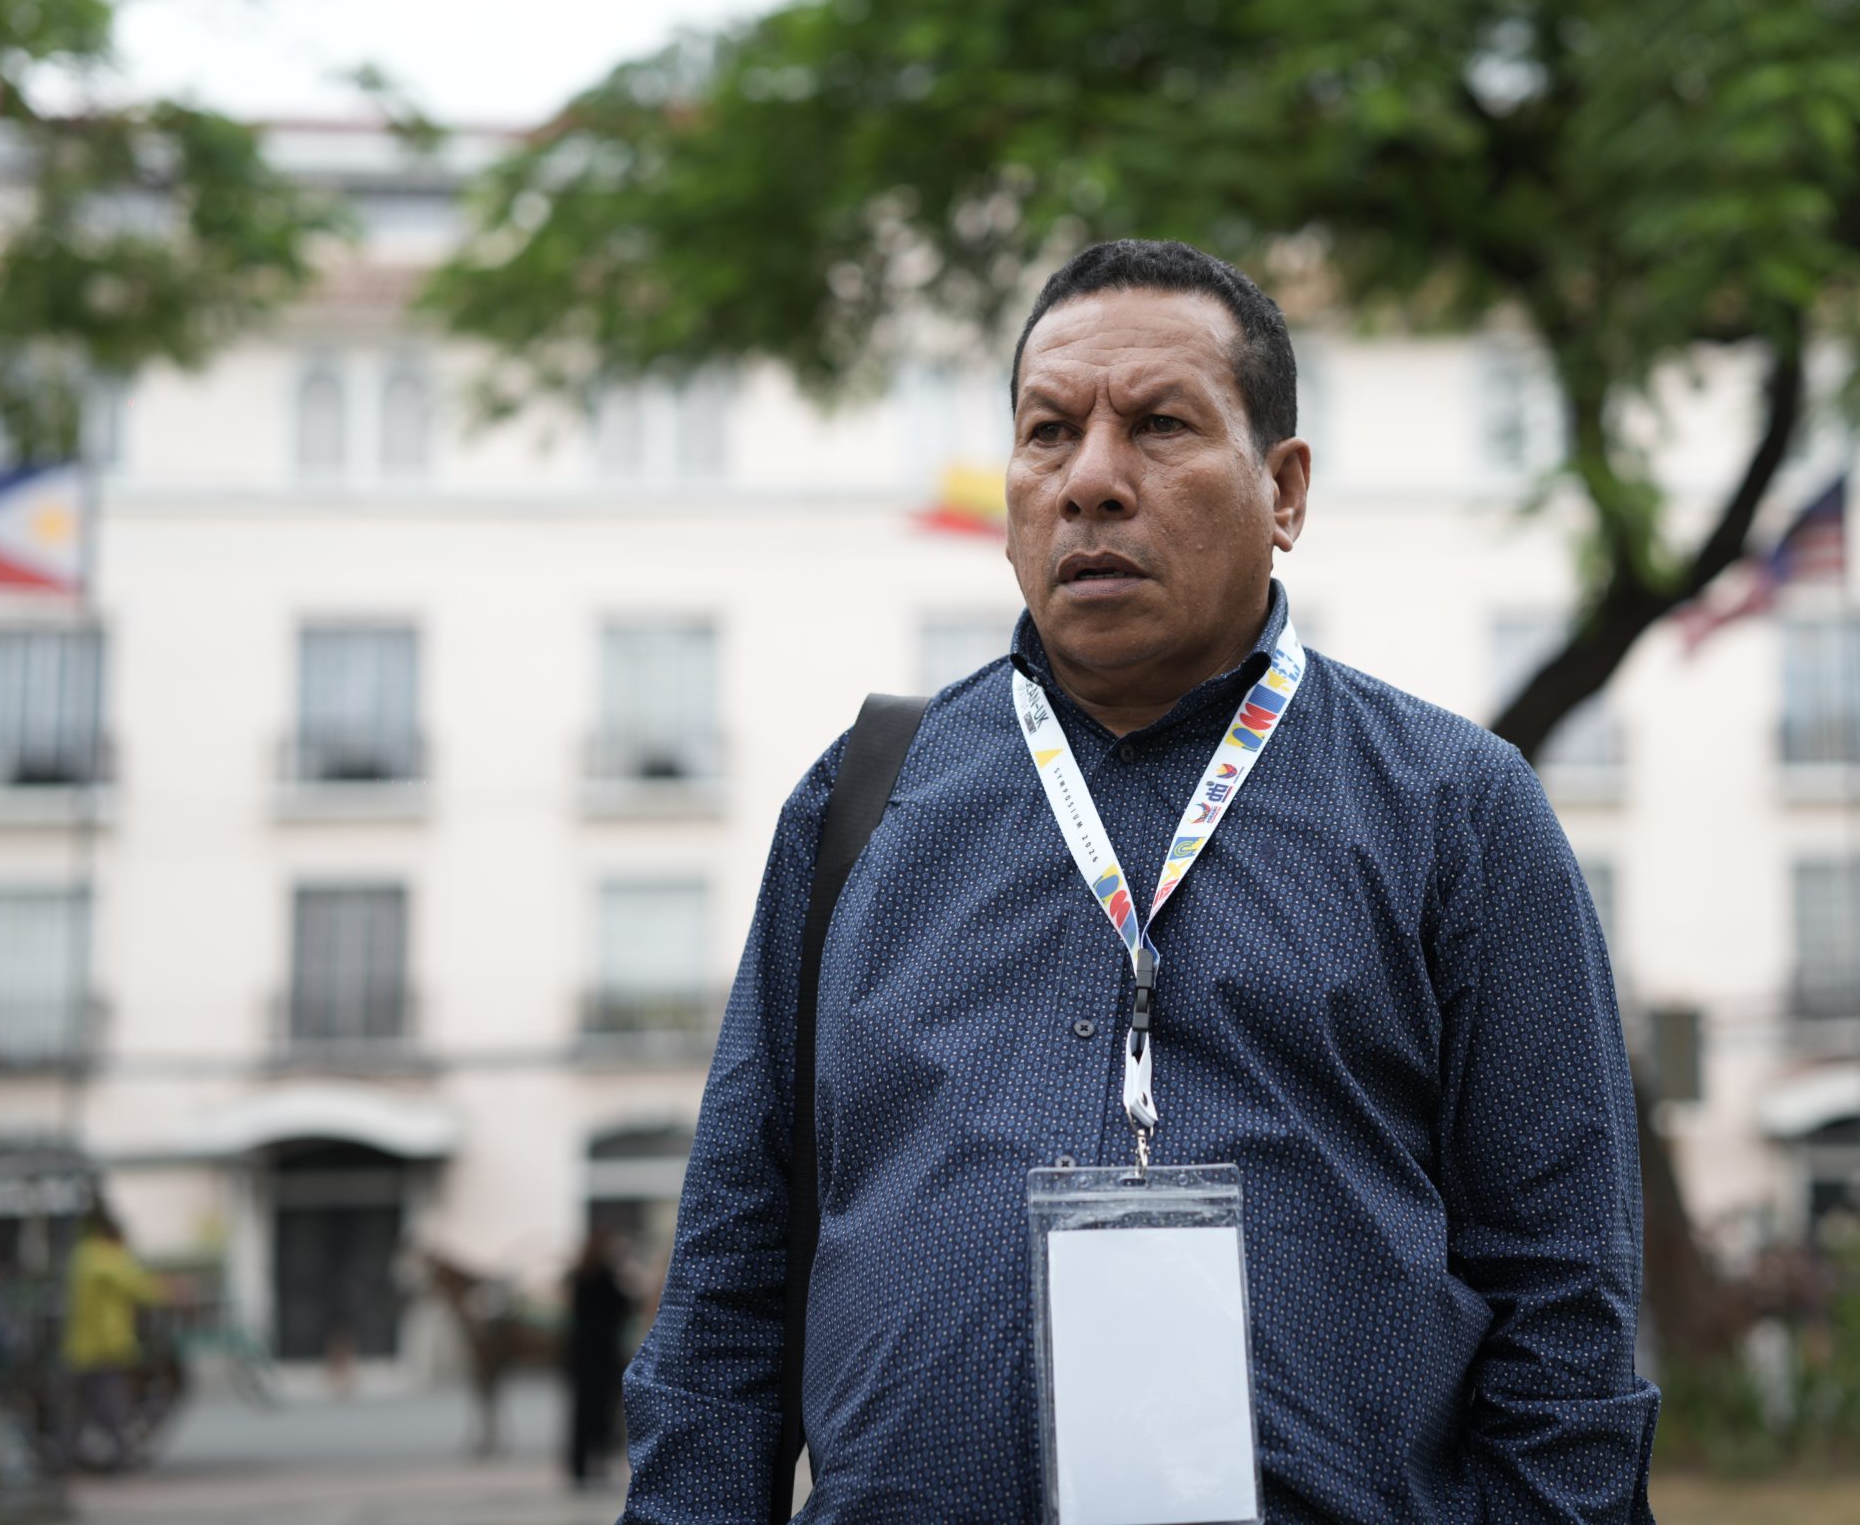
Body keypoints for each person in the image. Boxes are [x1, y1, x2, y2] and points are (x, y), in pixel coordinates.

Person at [623, 240, 1657, 1522]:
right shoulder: (859, 804)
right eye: (1048, 433)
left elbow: (1564, 1309)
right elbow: (727, 1287)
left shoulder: (1454, 808)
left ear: (1283, 491)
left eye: (1160, 426)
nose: (1091, 482)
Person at [62, 1206, 163, 1471]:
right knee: (112, 1403)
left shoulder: (81, 1256)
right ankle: (120, 1455)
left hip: (81, 1345)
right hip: (106, 1345)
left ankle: (69, 1456)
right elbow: (140, 1289)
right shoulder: (106, 1259)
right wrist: (173, 1291)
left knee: (81, 1406)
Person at [566, 1225, 637, 1488]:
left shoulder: (579, 1276)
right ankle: (595, 1463)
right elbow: (623, 1306)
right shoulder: (605, 1277)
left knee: (582, 1412)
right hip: (602, 1354)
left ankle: (579, 1466)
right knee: (601, 1412)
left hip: (581, 1354)